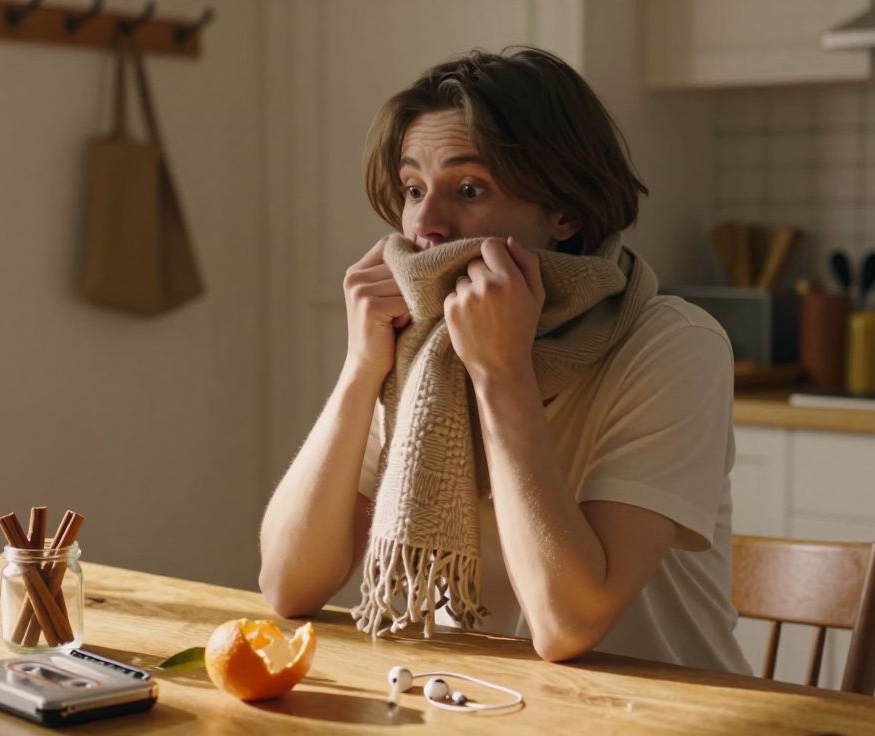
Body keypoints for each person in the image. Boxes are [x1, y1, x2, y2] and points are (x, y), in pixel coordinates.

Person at [258, 46, 750, 674]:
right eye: (413, 189)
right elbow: (288, 584)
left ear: (564, 213)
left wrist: (500, 372)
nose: (425, 226)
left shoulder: (673, 345)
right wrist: (361, 371)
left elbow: (568, 624)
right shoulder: (422, 349)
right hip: (471, 705)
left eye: (468, 189)